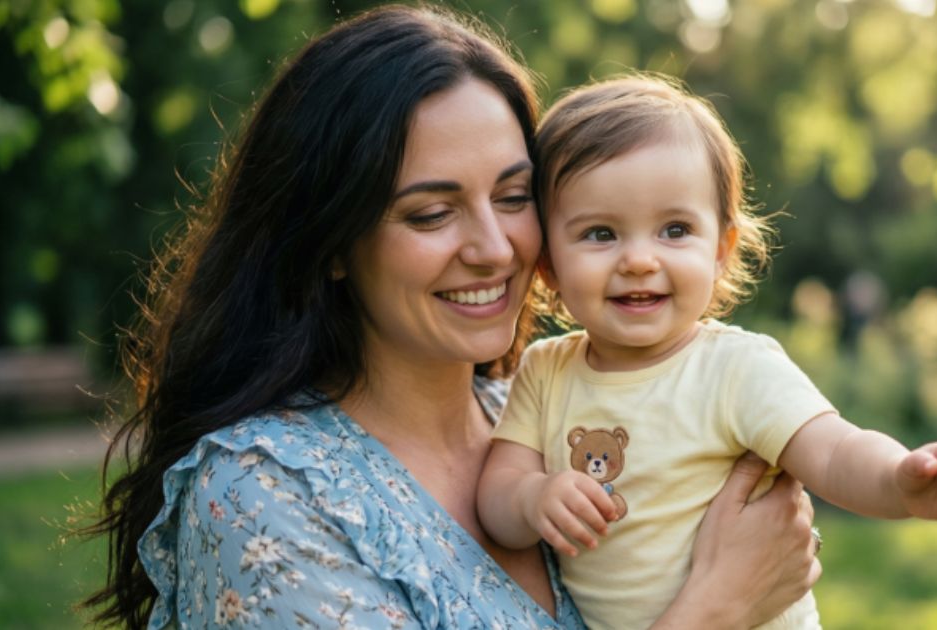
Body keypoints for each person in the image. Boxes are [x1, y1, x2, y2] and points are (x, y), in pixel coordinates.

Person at [83, 7, 824, 629]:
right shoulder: (260, 494)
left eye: (513, 197)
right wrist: (717, 607)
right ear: (333, 242)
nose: (495, 247)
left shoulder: (548, 413)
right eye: (432, 213)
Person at [476, 76, 937, 630]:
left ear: (721, 250)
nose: (639, 260)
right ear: (549, 263)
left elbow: (836, 452)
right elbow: (496, 497)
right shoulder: (547, 371)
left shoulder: (735, 368)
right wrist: (534, 496)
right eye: (601, 234)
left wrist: (899, 482)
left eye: (674, 229)